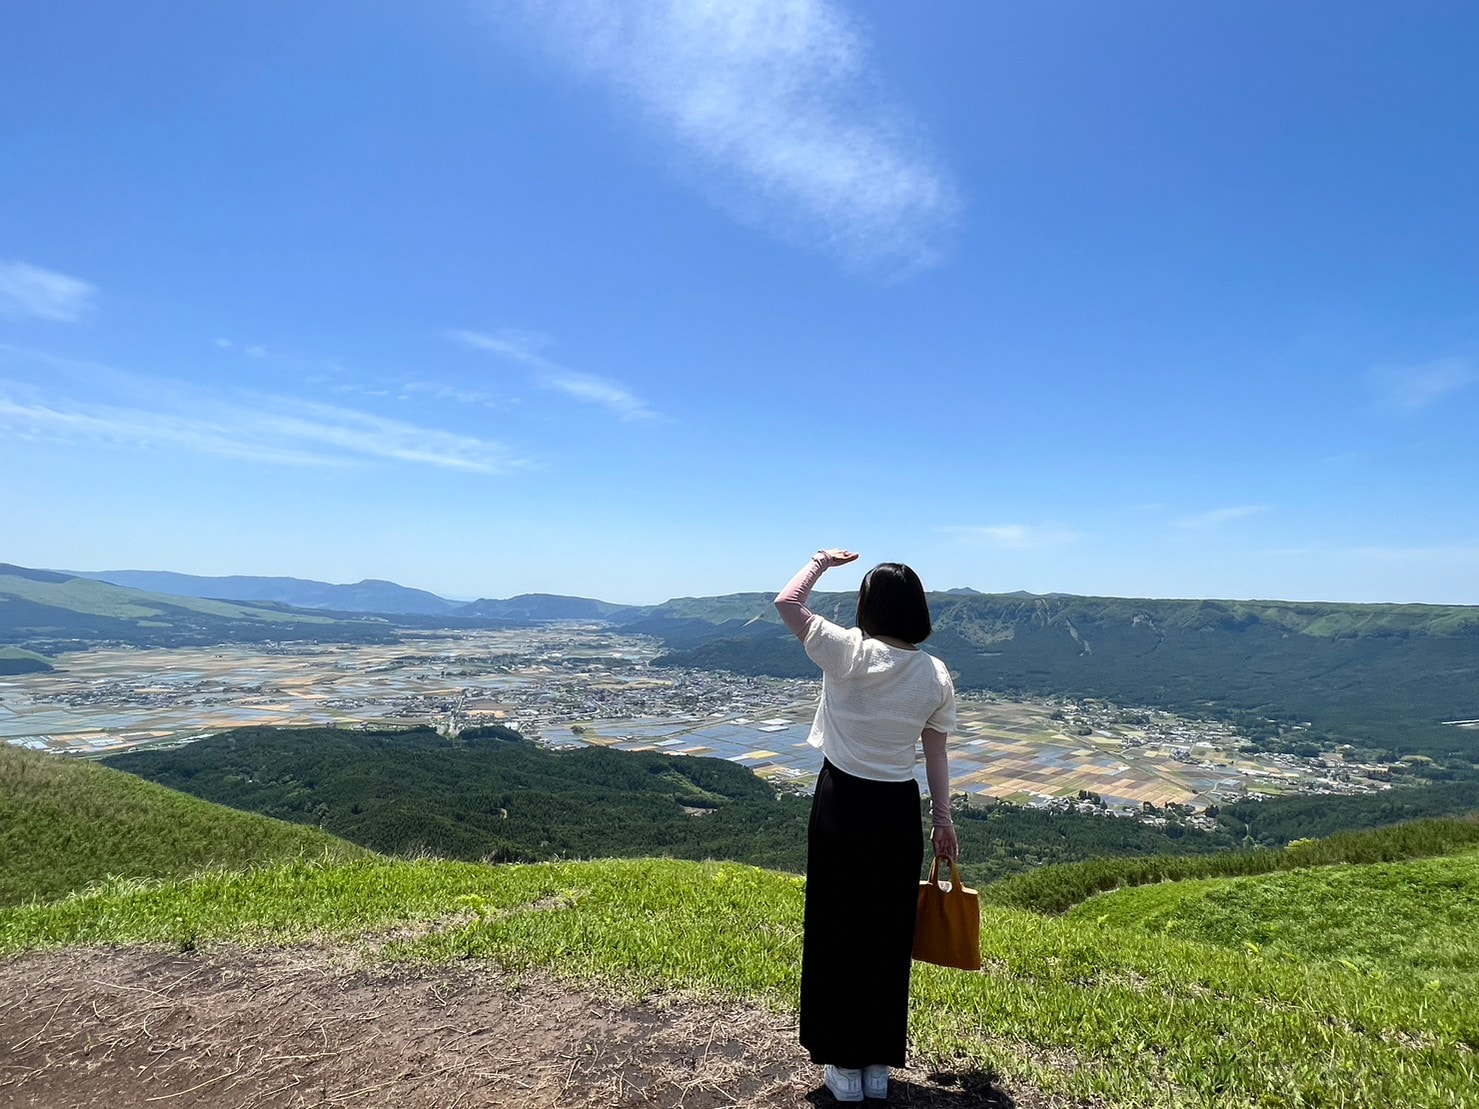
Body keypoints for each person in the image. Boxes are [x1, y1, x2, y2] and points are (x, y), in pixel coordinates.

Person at [774, 548, 958, 1104]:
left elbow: (787, 602)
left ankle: (842, 1067)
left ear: (868, 606)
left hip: (841, 804)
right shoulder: (934, 673)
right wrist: (943, 821)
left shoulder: (847, 651)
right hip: (896, 812)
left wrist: (819, 562)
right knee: (886, 935)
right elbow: (936, 757)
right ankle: (878, 1065)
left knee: (835, 931)